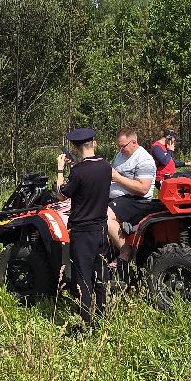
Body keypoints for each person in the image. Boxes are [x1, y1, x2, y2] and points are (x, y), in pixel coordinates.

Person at [56, 127, 112, 326]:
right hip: (101, 229)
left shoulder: (78, 171)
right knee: (100, 276)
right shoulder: (106, 166)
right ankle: (101, 317)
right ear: (94, 143)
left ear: (75, 147)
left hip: (83, 232)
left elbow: (62, 194)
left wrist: (61, 169)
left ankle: (86, 323)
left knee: (83, 278)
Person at [106, 127, 158, 262]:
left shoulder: (144, 159)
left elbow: (143, 188)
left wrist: (117, 178)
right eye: (119, 146)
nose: (121, 149)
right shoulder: (120, 155)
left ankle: (125, 252)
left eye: (123, 146)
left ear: (134, 142)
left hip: (136, 200)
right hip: (120, 198)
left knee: (105, 215)